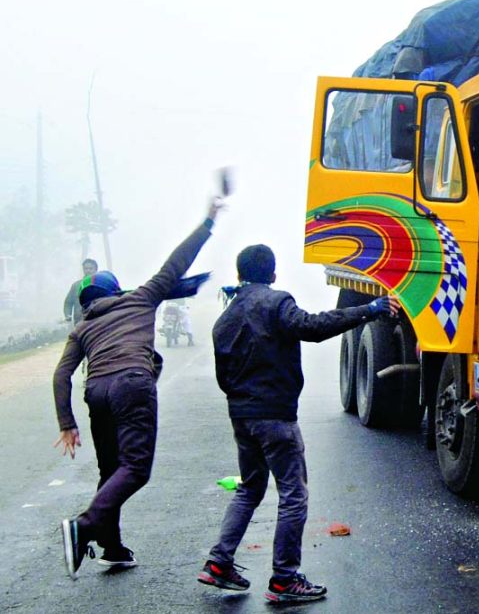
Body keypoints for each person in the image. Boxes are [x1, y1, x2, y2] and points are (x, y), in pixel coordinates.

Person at [197, 244, 399, 604]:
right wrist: (369, 309)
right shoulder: (276, 303)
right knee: (293, 495)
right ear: (272, 274)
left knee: (250, 489)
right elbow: (313, 326)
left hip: (242, 417)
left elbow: (223, 376)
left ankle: (219, 564)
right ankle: (284, 579)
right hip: (275, 417)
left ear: (239, 273)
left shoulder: (224, 319)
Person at [53, 197, 222, 579]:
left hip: (96, 390)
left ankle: (111, 548)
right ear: (117, 291)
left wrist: (67, 423)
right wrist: (208, 221)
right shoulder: (141, 298)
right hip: (131, 384)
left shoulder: (81, 328)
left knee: (111, 468)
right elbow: (177, 262)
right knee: (136, 469)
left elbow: (62, 375)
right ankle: (84, 526)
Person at [63, 258, 99, 325]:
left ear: (96, 270)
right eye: (86, 268)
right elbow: (68, 303)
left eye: (91, 268)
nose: (88, 271)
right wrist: (68, 316)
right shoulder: (76, 285)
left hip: (96, 322)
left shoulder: (100, 285)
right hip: (79, 322)